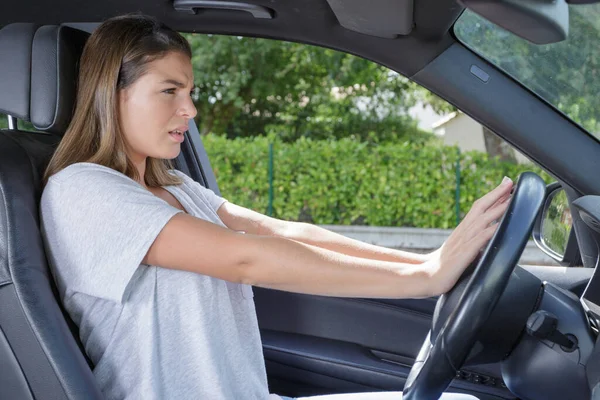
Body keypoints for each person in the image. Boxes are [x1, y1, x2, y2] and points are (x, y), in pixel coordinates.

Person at [39, 13, 512, 400]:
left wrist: (432, 262)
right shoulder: (82, 190)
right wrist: (424, 279)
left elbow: (281, 234)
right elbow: (245, 257)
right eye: (170, 91)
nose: (190, 110)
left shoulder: (176, 186)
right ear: (113, 94)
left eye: (191, 92)